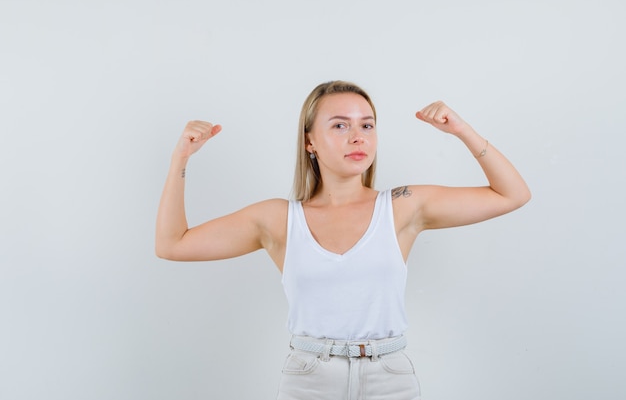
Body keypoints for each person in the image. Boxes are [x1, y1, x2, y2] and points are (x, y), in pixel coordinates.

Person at [155, 80, 531, 400]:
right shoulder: (278, 219)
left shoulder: (402, 207)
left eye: (367, 125)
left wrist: (462, 129)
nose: (357, 136)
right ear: (310, 142)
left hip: (390, 379)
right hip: (309, 380)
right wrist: (180, 158)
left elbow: (512, 194)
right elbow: (173, 244)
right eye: (339, 126)